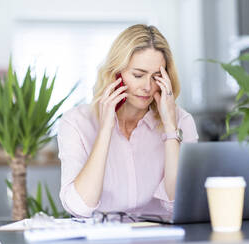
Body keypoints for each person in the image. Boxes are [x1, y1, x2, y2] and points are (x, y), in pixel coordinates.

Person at [58, 24, 199, 218]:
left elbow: (180, 204)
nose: (148, 87)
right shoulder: (76, 122)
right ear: (116, 74)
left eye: (157, 76)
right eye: (138, 75)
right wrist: (106, 128)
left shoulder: (181, 122)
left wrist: (170, 128)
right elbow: (80, 207)